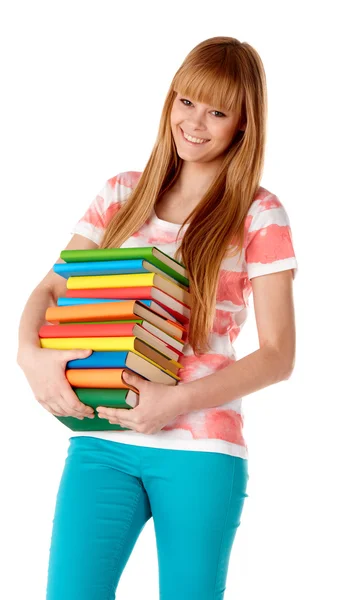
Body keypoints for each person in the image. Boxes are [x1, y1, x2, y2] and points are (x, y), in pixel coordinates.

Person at [17, 36, 298, 600]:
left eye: (218, 111)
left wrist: (173, 404)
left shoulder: (258, 213)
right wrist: (31, 358)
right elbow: (51, 287)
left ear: (243, 124)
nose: (195, 123)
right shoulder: (123, 193)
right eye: (186, 102)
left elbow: (278, 356)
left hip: (199, 451)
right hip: (102, 437)